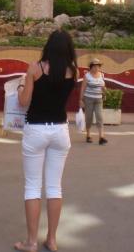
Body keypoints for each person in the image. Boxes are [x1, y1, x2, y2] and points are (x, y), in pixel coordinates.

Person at [14, 30, 77, 252]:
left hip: (36, 131)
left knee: (32, 187)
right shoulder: (72, 71)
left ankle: (31, 242)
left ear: (48, 46)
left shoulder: (36, 69)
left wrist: (22, 84)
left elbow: (23, 102)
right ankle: (51, 239)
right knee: (54, 187)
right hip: (60, 131)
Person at [79, 58, 107, 145]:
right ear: (91, 67)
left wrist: (104, 93)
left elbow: (103, 87)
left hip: (99, 99)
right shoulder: (87, 76)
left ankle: (101, 137)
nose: (96, 68)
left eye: (98, 66)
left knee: (100, 117)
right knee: (89, 118)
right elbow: (83, 88)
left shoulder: (101, 75)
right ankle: (88, 135)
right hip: (89, 99)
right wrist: (80, 100)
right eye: (94, 66)